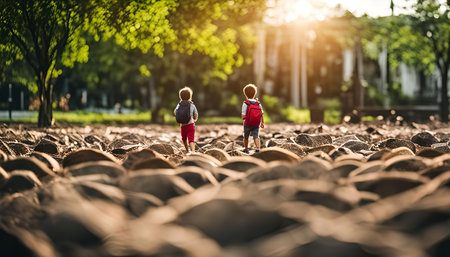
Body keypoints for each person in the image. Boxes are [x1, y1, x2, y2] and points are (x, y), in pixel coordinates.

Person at [174, 87, 198, 153]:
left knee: (184, 139)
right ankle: (193, 151)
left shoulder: (179, 105)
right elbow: (196, 114)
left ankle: (187, 151)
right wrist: (194, 119)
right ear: (190, 96)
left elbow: (175, 112)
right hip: (190, 125)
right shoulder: (192, 105)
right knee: (191, 140)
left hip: (183, 126)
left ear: (180, 96)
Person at [241, 84, 264, 154]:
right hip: (256, 123)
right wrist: (262, 122)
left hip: (247, 123)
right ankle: (257, 148)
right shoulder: (258, 103)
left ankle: (246, 148)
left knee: (246, 136)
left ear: (245, 94)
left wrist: (244, 119)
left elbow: (243, 115)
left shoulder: (246, 103)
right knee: (256, 136)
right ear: (255, 93)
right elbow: (261, 113)